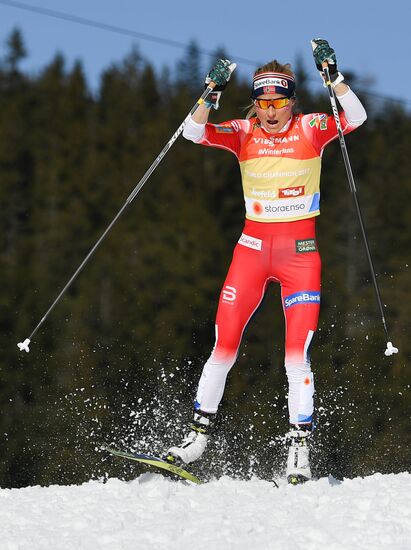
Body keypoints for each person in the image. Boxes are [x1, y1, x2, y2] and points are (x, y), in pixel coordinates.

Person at [165, 39, 367, 483]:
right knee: (223, 346)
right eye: (263, 102)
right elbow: (193, 132)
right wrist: (208, 94)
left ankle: (299, 451)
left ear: (291, 102)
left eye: (278, 102)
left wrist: (333, 77)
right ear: (254, 104)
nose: (270, 111)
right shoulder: (242, 132)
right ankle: (196, 439)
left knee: (297, 356)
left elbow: (356, 117)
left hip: (300, 256)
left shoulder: (312, 127)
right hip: (251, 252)